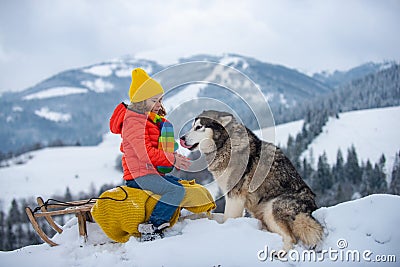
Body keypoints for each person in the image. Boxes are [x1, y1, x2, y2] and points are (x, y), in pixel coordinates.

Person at [109, 68, 191, 240]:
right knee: (175, 191)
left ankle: (173, 220)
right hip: (139, 176)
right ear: (140, 100)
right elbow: (144, 154)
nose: (160, 105)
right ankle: (152, 226)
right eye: (155, 100)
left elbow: (156, 148)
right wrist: (172, 158)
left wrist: (173, 155)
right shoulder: (133, 122)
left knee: (180, 185)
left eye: (160, 100)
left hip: (150, 173)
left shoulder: (149, 119)